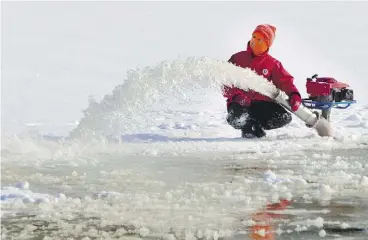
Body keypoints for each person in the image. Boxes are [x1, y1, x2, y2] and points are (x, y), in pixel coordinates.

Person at [222, 24, 302, 138]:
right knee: (235, 119)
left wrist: (294, 94)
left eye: (259, 39)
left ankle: (256, 125)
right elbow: (225, 82)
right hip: (239, 103)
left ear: (266, 44)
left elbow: (286, 82)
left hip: (261, 104)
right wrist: (236, 95)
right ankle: (247, 126)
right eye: (253, 37)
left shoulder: (273, 64)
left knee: (284, 117)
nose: (254, 41)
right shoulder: (237, 58)